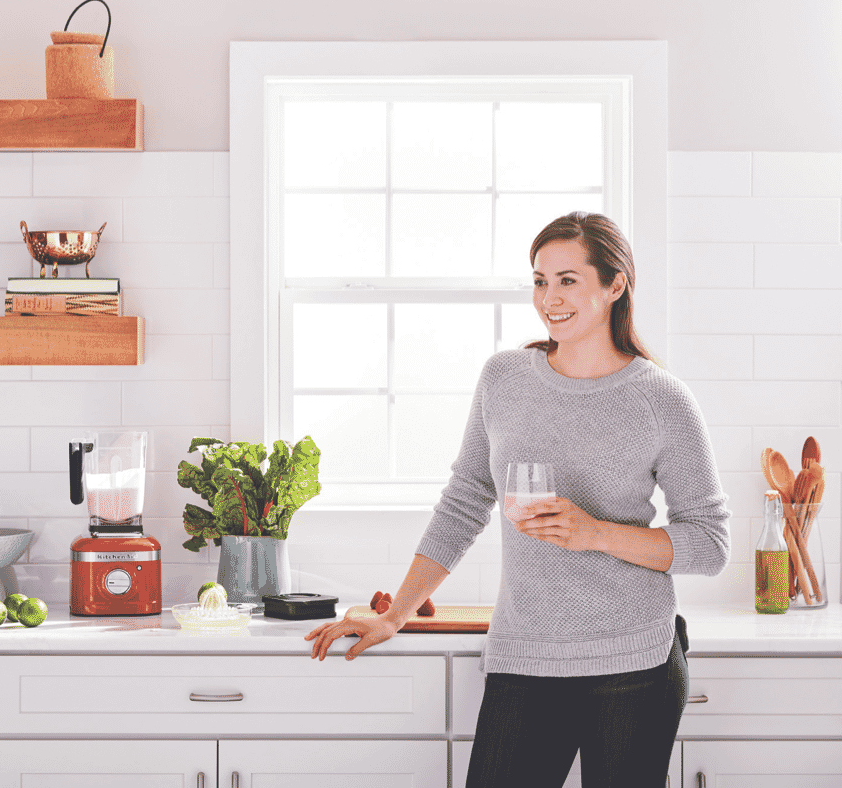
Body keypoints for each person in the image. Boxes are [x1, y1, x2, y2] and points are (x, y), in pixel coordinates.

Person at [306, 211, 730, 788]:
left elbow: (709, 543)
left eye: (567, 280)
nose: (549, 298)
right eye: (539, 280)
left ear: (615, 285)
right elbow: (463, 502)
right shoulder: (504, 379)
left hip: (635, 663)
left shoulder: (662, 399)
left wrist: (594, 532)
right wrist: (394, 615)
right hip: (526, 658)